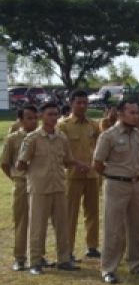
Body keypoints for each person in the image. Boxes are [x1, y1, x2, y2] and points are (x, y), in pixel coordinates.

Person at [92, 99, 139, 284]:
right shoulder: (108, 136)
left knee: (137, 226)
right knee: (114, 228)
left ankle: (136, 265)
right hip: (116, 185)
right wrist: (114, 176)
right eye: (132, 112)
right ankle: (108, 268)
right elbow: (97, 164)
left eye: (137, 113)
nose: (136, 116)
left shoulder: (138, 135)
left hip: (136, 184)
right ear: (120, 113)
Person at [17, 102, 82, 274]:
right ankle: (35, 262)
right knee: (37, 227)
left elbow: (68, 160)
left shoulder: (62, 138)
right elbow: (21, 163)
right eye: (50, 114)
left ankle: (64, 259)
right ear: (41, 116)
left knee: (62, 225)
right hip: (40, 188)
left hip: (59, 186)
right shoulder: (32, 139)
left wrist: (80, 165)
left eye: (56, 114)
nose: (53, 118)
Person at [61, 89, 102, 260]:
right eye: (79, 102)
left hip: (92, 175)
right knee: (70, 214)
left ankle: (92, 246)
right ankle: (67, 250)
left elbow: (100, 148)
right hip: (72, 176)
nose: (83, 106)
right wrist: (74, 165)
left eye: (85, 102)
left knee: (92, 212)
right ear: (71, 103)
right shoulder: (62, 125)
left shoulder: (93, 125)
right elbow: (59, 151)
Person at [3, 105, 38, 271]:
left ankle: (38, 256)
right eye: (29, 118)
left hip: (40, 183)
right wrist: (15, 177)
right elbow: (4, 163)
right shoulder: (13, 138)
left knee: (39, 221)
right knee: (22, 221)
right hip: (22, 183)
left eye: (35, 117)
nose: (33, 121)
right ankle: (20, 257)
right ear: (21, 120)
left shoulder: (42, 137)